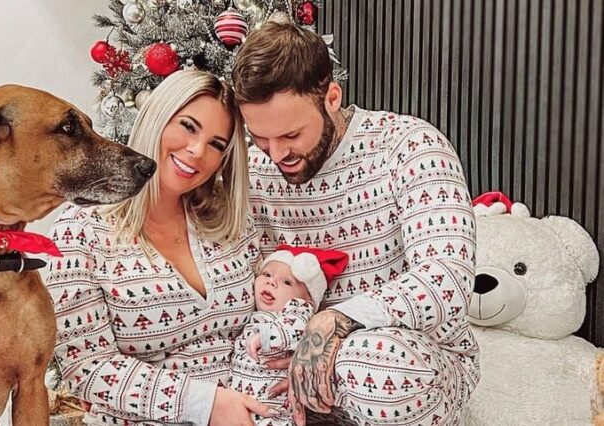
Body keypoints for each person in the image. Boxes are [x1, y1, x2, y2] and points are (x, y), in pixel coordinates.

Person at [232, 22, 480, 425]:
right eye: (260, 137)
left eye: (291, 134)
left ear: (332, 98)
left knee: (379, 364)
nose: (276, 154)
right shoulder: (257, 170)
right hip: (287, 358)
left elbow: (446, 281)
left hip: (401, 360)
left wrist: (332, 323)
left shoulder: (409, 145)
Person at [46, 70, 275, 426]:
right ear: (157, 118)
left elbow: (273, 310)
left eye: (217, 144)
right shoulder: (80, 231)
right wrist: (206, 404)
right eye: (188, 126)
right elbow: (86, 367)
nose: (197, 151)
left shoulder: (232, 221)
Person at [230, 245, 348, 426]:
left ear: (308, 300)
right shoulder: (255, 316)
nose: (271, 282)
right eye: (267, 274)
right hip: (239, 400)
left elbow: (297, 329)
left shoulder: (298, 310)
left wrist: (267, 336)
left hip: (272, 406)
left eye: (286, 282)